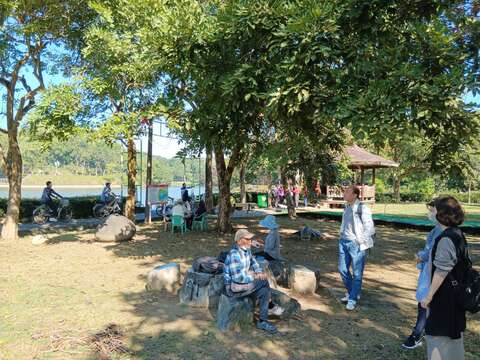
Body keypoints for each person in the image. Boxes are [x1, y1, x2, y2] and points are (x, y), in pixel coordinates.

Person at [421, 196, 469, 360]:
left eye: (432, 210)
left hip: (444, 298)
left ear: (441, 214)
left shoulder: (446, 239)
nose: (430, 213)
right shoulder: (456, 233)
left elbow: (442, 271)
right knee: (451, 338)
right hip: (453, 298)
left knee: (437, 337)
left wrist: (428, 296)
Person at [224, 229, 284, 334]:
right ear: (239, 241)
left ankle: (262, 321)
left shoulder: (247, 250)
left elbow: (254, 263)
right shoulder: (234, 254)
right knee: (263, 281)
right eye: (247, 239)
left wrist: (259, 272)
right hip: (234, 287)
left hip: (243, 284)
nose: (250, 241)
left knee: (264, 292)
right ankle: (271, 306)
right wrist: (256, 276)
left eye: (250, 239)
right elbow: (238, 278)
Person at [402, 199, 443, 349]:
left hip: (435, 273)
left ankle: (417, 334)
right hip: (429, 271)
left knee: (425, 303)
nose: (430, 213)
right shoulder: (437, 229)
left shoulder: (443, 231)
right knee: (427, 303)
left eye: (432, 210)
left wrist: (422, 256)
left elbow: (434, 251)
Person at [338, 185, 375, 311]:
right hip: (343, 242)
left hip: (356, 244)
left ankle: (352, 298)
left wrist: (360, 240)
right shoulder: (347, 207)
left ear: (354, 195)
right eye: (345, 191)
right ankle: (353, 292)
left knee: (357, 273)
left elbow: (369, 227)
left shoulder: (362, 208)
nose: (344, 193)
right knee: (342, 269)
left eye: (347, 192)